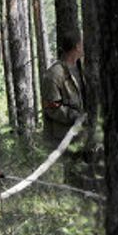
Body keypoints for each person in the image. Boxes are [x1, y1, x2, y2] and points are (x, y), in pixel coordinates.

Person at [41, 32, 87, 185]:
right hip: (64, 134)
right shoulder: (54, 74)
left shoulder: (82, 68)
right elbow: (52, 107)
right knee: (72, 174)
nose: (84, 46)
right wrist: (75, 116)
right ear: (76, 47)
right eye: (82, 43)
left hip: (82, 131)